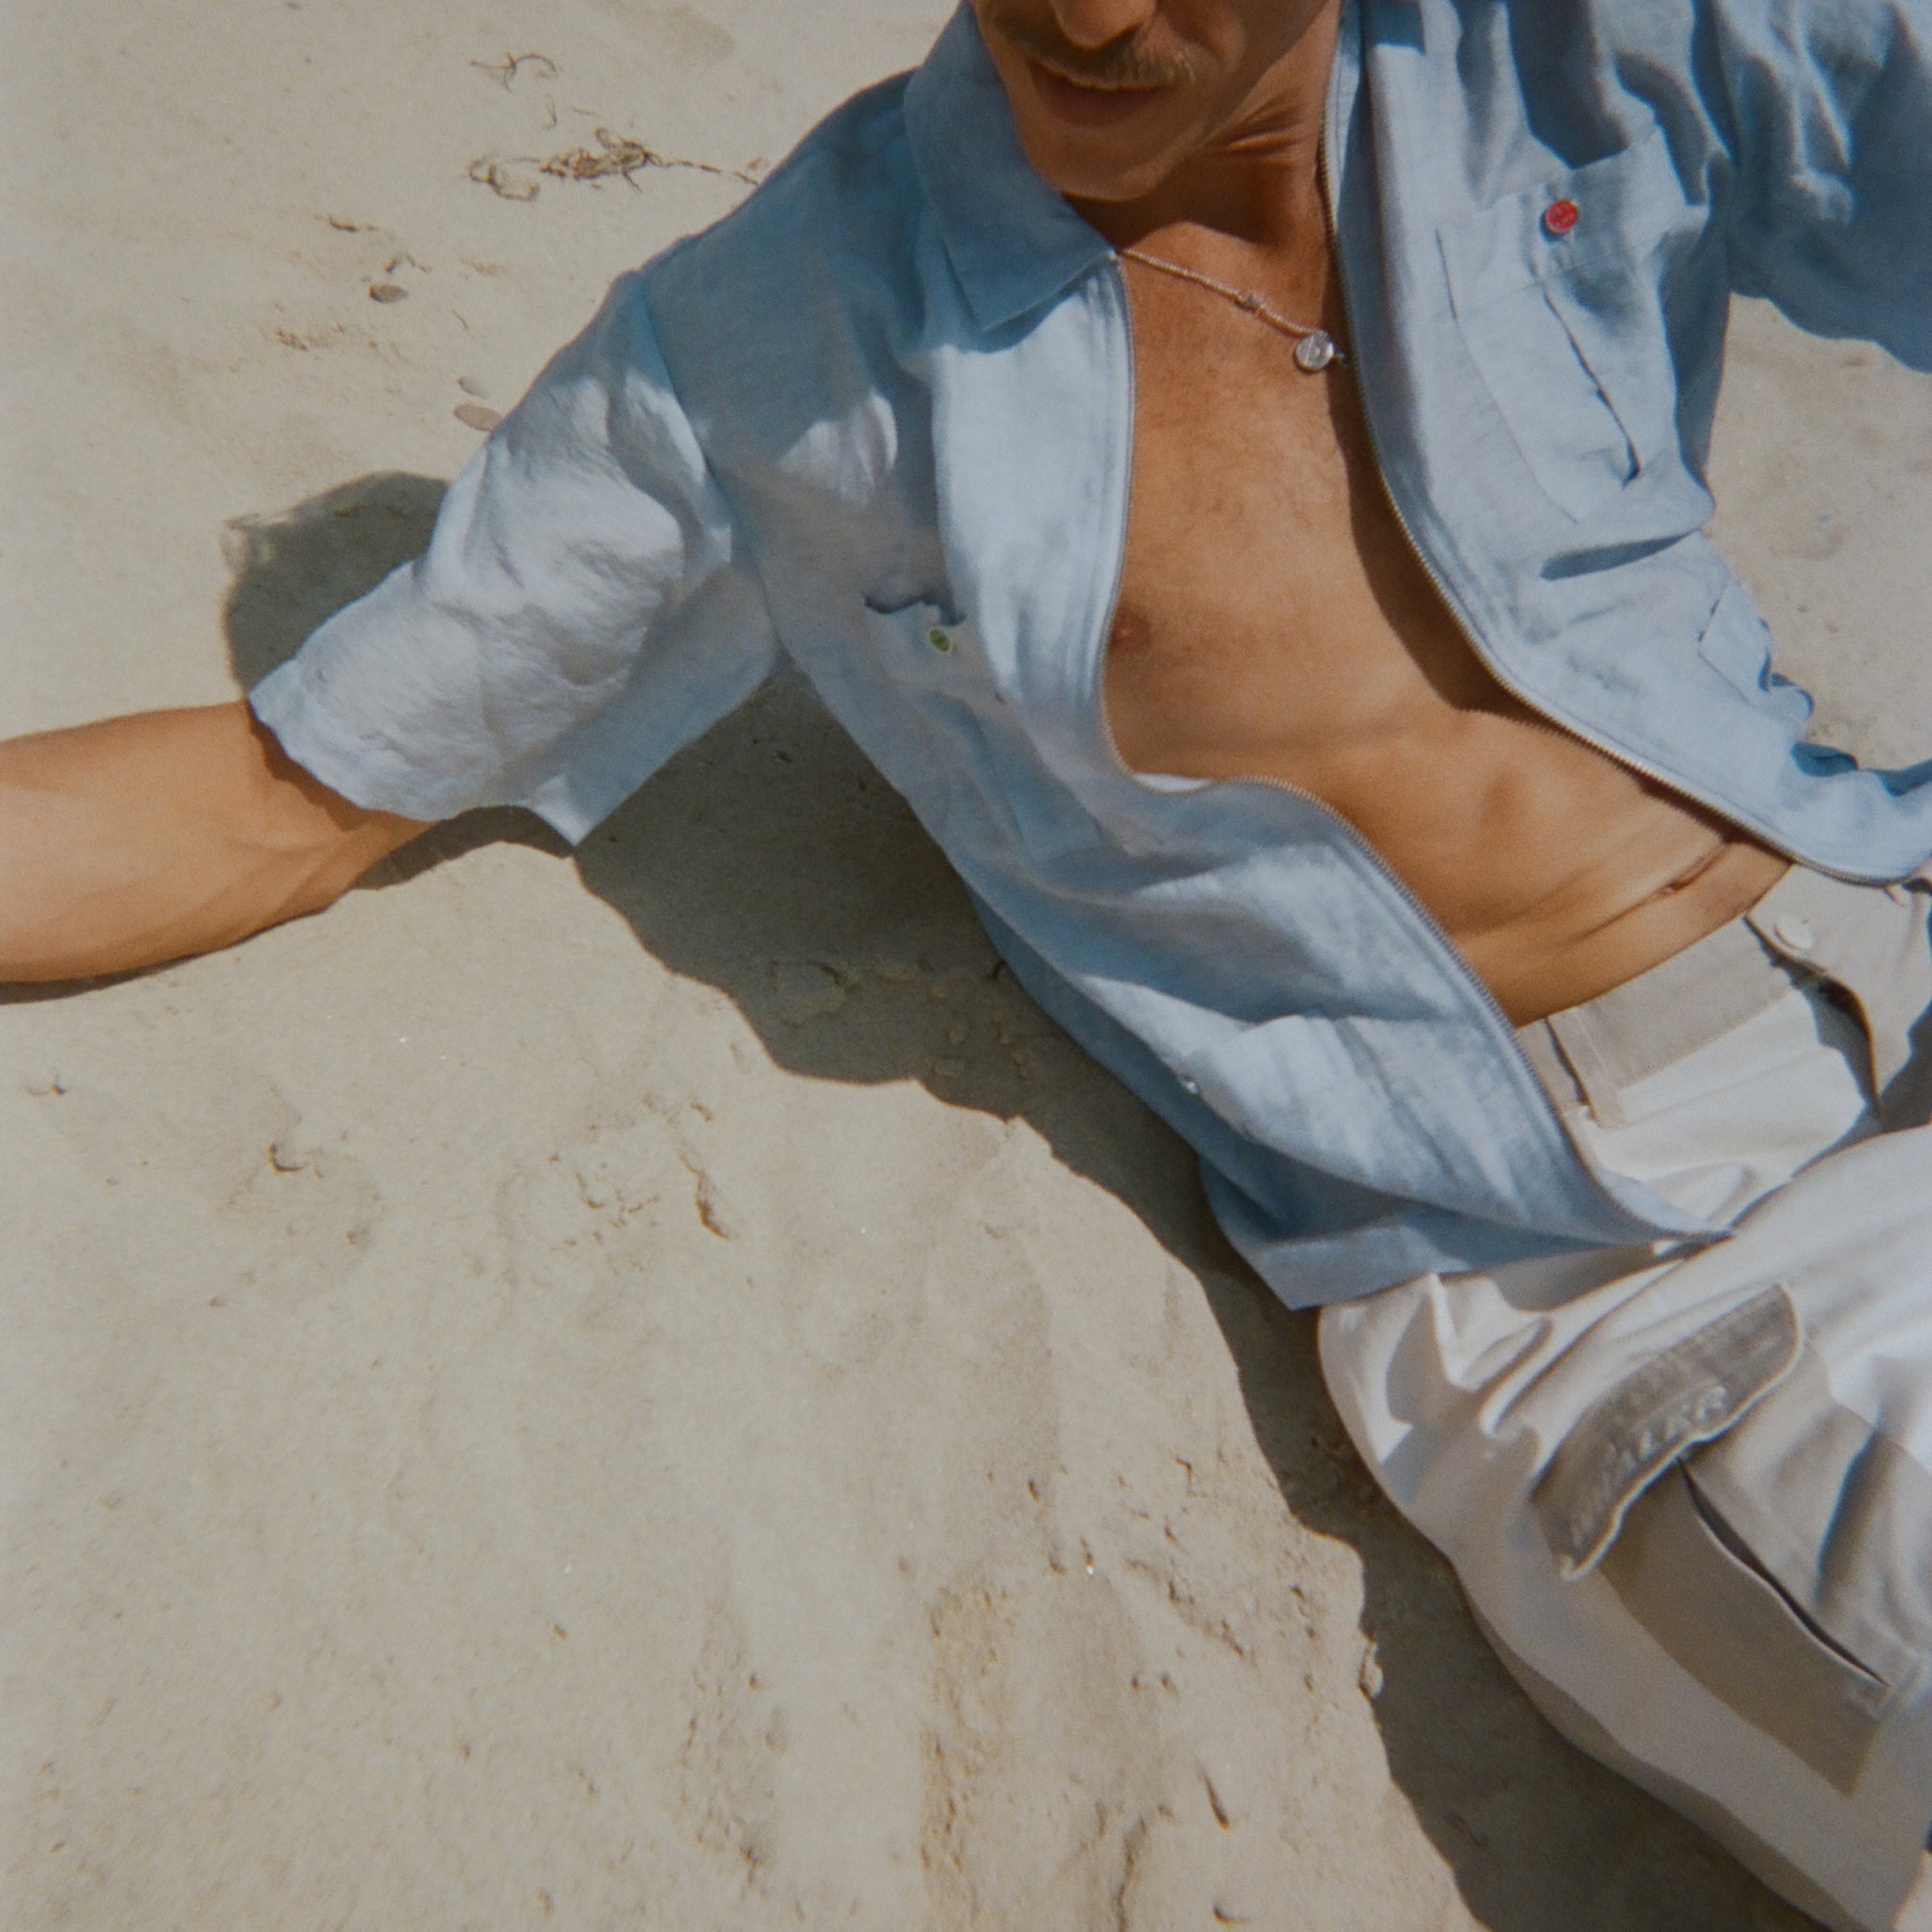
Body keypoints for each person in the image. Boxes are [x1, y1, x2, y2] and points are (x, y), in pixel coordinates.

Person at [4, 0, 1930, 1921]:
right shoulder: (776, 337)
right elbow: (292, 788)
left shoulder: (1580, 58)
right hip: (1590, 1268)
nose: (1081, 13)